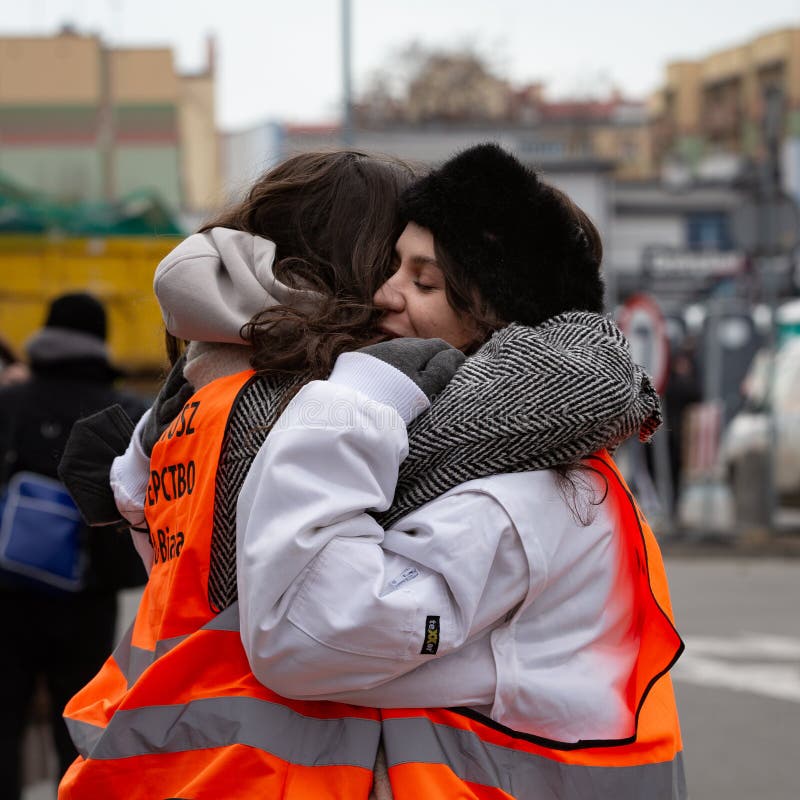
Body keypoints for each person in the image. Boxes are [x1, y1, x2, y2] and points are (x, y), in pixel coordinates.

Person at [61, 146, 683, 800]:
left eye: (423, 280)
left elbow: (305, 626)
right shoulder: (310, 415)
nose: (387, 295)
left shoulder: (202, 403)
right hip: (241, 772)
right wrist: (358, 402)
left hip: (168, 767)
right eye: (391, 267)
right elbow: (297, 620)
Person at [0, 292, 148, 800]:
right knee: (80, 720)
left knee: (4, 718)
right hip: (89, 594)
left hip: (7, 590)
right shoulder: (126, 413)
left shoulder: (11, 402)